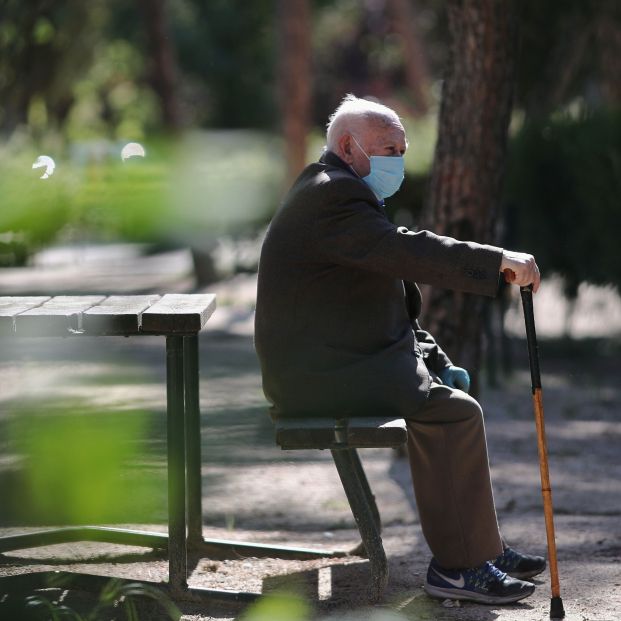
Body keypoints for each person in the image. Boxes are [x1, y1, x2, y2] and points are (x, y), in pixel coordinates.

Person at [254, 94, 545, 605]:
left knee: (451, 406)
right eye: (388, 148)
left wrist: (437, 360)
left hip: (333, 362)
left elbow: (387, 305)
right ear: (348, 147)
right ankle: (459, 567)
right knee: (455, 415)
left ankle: (480, 550)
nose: (399, 162)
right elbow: (407, 250)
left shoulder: (334, 189)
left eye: (402, 149)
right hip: (317, 376)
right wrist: (497, 259)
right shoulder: (333, 197)